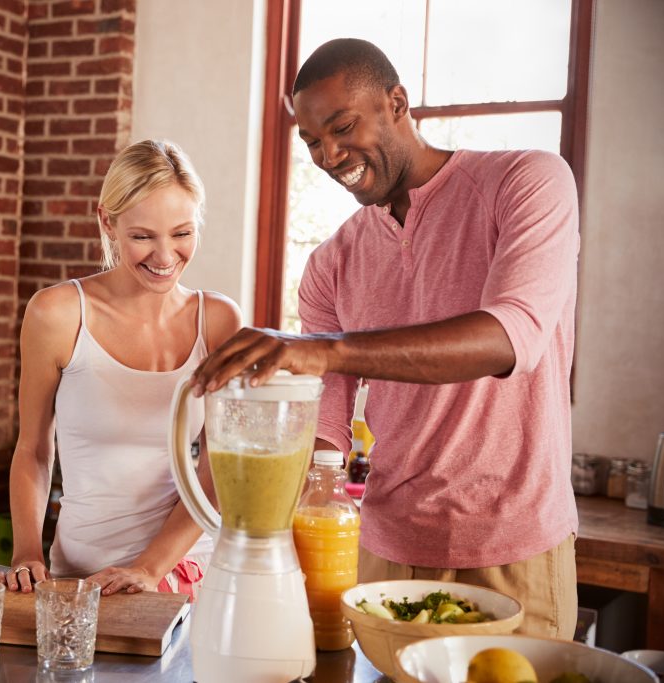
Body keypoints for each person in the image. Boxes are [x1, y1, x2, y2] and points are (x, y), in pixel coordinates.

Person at [191, 38, 579, 638]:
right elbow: (324, 437)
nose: (328, 155)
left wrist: (322, 348)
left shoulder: (526, 182)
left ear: (397, 102)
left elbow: (511, 336)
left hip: (512, 549)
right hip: (382, 554)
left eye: (342, 127)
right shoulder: (331, 262)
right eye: (313, 142)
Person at [0, 139, 242, 599]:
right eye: (143, 236)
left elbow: (221, 464)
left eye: (182, 233)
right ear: (107, 222)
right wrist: (27, 553)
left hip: (187, 568)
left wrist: (150, 568)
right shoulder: (58, 313)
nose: (166, 256)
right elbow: (32, 449)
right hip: (80, 574)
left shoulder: (218, 320)